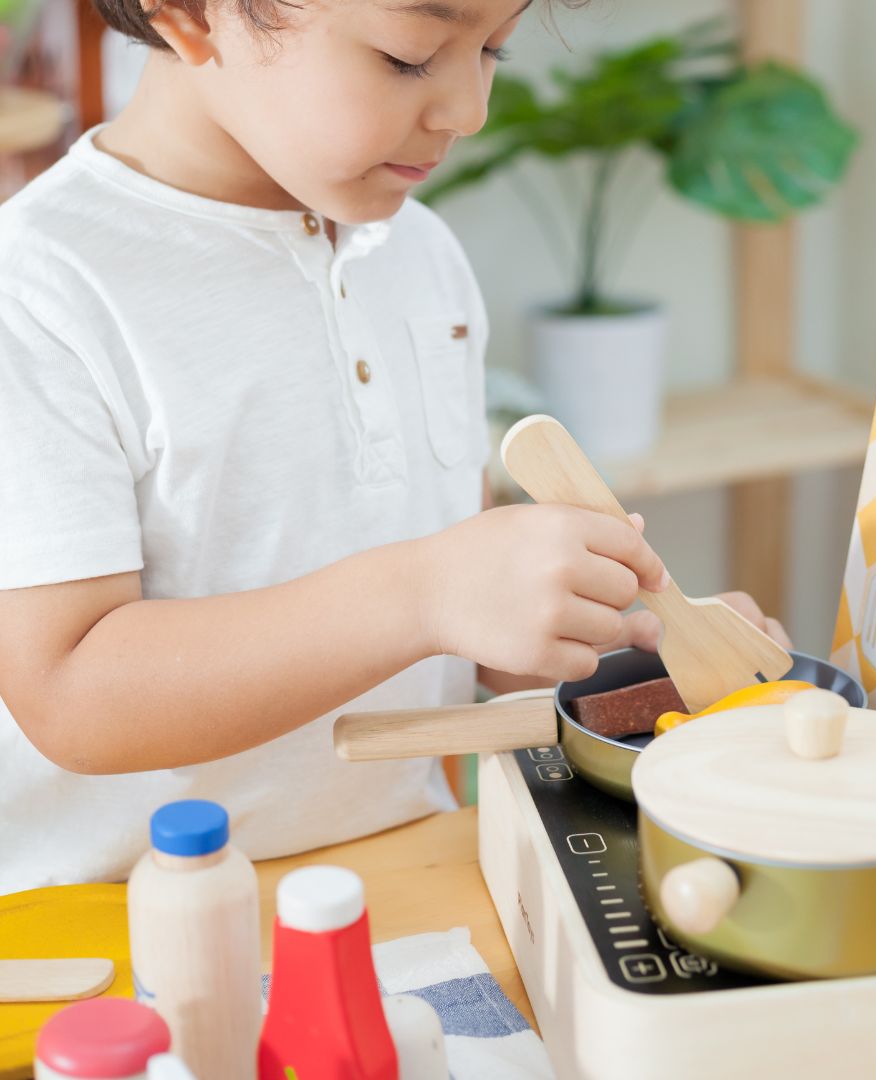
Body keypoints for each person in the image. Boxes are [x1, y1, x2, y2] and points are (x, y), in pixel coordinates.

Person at [0, 0, 790, 892]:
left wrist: (636, 653)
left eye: (493, 48)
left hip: (409, 880)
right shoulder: (39, 291)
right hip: (121, 934)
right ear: (189, 15)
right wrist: (424, 591)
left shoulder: (421, 256)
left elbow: (461, 626)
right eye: (408, 57)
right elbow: (67, 695)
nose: (468, 108)